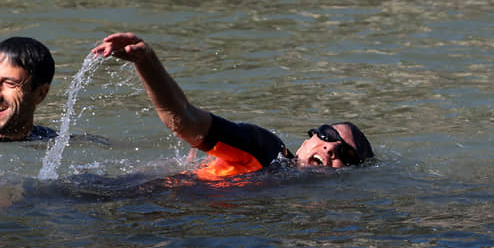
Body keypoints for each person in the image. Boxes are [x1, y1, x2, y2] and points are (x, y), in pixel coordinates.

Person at [91, 33, 373, 178]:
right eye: (327, 135)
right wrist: (146, 61)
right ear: (304, 142)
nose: (331, 147)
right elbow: (183, 118)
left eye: (346, 156)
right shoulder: (266, 151)